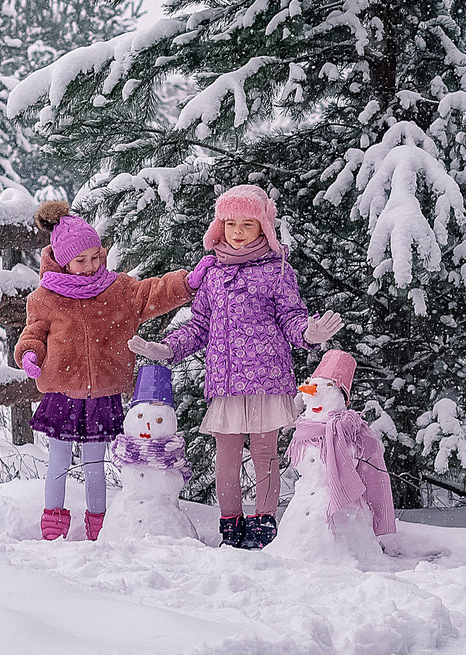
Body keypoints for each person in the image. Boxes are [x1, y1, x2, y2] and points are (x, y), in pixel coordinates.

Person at [131, 182, 340, 548]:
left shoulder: (277, 270)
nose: (238, 232)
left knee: (264, 453)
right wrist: (167, 348)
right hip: (225, 381)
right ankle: (230, 525)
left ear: (264, 228)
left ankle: (264, 524)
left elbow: (292, 318)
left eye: (247, 224)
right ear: (219, 226)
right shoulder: (212, 273)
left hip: (267, 379)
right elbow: (199, 326)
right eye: (231, 224)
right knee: (226, 455)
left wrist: (310, 332)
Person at [14, 206, 192, 541]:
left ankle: (99, 521)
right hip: (62, 392)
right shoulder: (45, 298)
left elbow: (152, 293)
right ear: (63, 261)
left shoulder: (118, 290)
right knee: (59, 459)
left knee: (96, 463)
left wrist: (186, 283)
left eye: (96, 257)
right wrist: (29, 355)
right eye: (81, 260)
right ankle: (53, 519)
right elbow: (33, 333)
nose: (91, 266)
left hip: (102, 393)